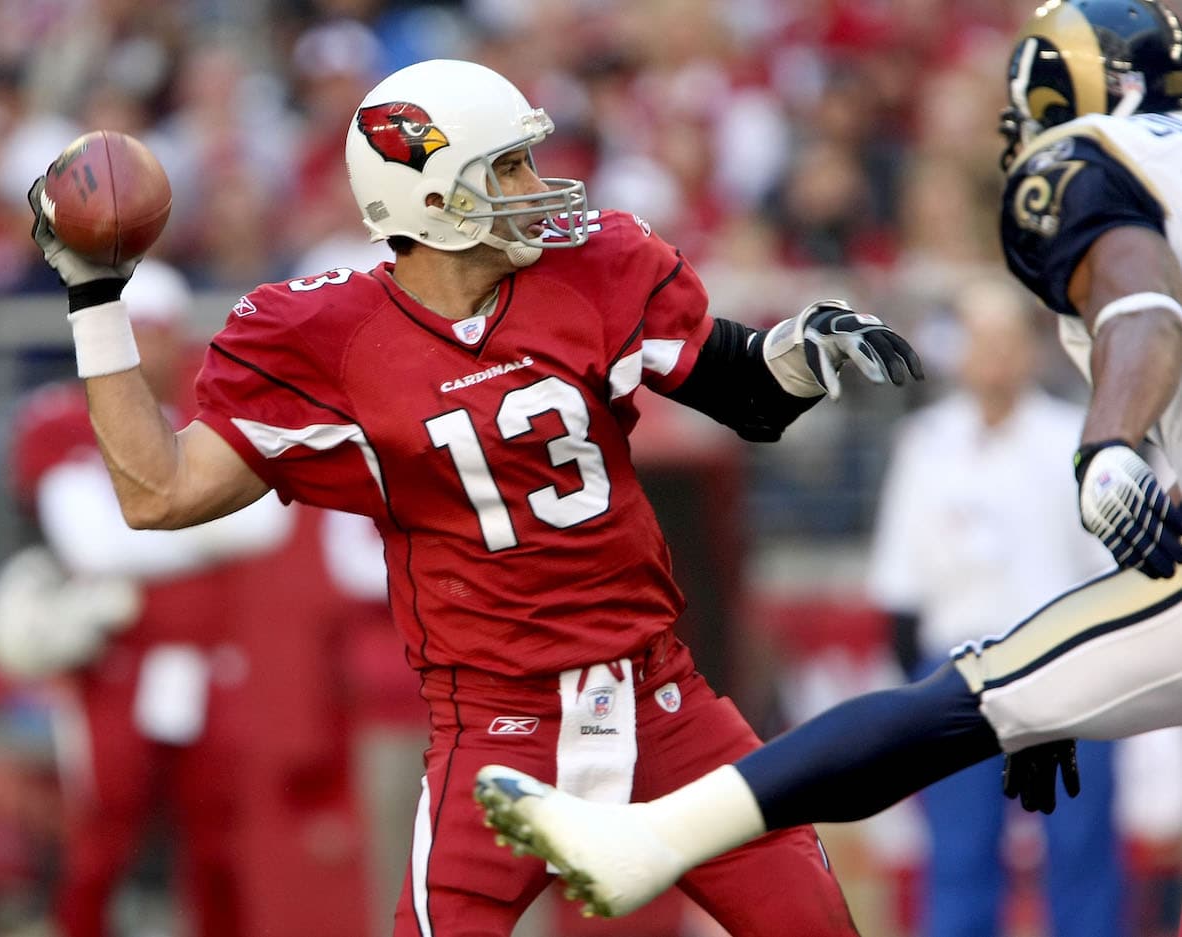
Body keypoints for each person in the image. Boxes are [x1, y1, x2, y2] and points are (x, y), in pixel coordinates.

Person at [25, 58, 924, 936]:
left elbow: (744, 392)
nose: (536, 183)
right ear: (429, 198)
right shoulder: (323, 337)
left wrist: (806, 348)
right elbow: (160, 493)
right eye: (506, 167)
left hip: (665, 701)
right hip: (498, 729)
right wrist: (97, 298)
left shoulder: (594, 266)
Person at [471, 0, 1182, 922]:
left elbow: (1137, 300)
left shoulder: (1100, 160)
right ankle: (655, 836)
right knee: (986, 698)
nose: (1021, 122)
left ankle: (653, 836)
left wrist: (1113, 438)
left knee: (961, 703)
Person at [0, 260, 370, 937]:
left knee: (222, 838)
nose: (141, 347)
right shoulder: (65, 419)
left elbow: (262, 523)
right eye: (127, 331)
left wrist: (156, 512)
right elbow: (93, 541)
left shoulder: (214, 407)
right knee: (102, 832)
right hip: (116, 664)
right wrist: (197, 517)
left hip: (216, 664)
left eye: (154, 331)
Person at [866, 280, 1121, 937]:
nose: (996, 357)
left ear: (1031, 352)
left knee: (1081, 844)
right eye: (983, 342)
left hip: (1064, 662)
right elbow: (901, 578)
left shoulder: (1078, 439)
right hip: (959, 665)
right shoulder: (926, 443)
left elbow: (1110, 570)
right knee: (958, 850)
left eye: (1008, 341)